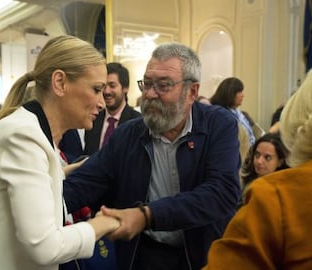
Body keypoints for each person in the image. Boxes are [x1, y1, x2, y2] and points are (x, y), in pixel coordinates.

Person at [0, 35, 120, 270]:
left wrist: (64, 172)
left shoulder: (31, 131)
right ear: (60, 82)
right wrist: (104, 224)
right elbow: (44, 246)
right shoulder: (23, 136)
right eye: (96, 89)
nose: (101, 102)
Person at [63, 42, 241, 270]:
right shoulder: (128, 135)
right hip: (144, 256)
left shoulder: (219, 125)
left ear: (192, 92)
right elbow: (85, 184)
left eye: (163, 86)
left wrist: (146, 215)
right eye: (146, 84)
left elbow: (222, 193)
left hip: (203, 258)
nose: (149, 94)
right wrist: (41, 204)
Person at [203, 69, 312, 270]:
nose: (243, 95)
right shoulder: (222, 118)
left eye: (268, 158)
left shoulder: (277, 196)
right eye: (240, 91)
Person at [83, 62, 141, 155]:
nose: (106, 91)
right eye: (104, 86)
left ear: (125, 88)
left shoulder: (138, 122)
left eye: (112, 86)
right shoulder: (94, 118)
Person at [210, 77, 257, 145]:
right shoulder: (220, 115)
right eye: (239, 92)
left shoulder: (239, 113)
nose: (243, 95)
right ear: (230, 93)